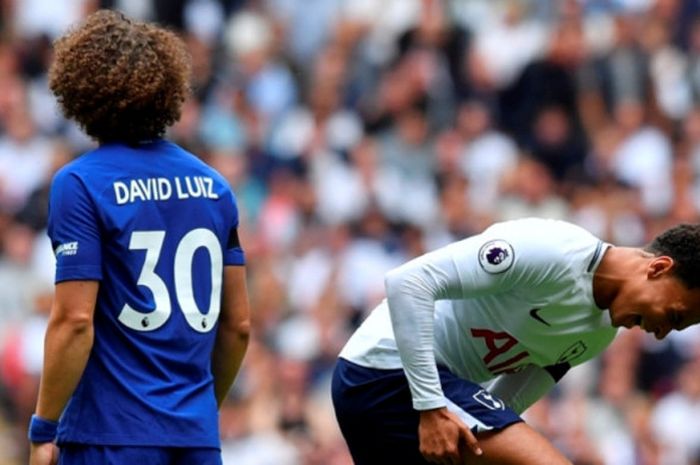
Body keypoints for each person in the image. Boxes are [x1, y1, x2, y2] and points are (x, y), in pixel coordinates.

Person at [28, 10, 251, 465]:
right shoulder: (214, 186)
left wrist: (43, 430)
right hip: (196, 440)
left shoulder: (81, 183)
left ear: (78, 90)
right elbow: (238, 326)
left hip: (108, 435)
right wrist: (198, 415)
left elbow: (74, 322)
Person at [332, 217, 700, 465]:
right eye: (673, 315)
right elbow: (407, 282)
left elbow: (504, 405)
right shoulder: (552, 251)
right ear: (658, 268)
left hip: (419, 404)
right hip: (381, 372)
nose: (662, 332)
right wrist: (430, 407)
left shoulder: (599, 335)